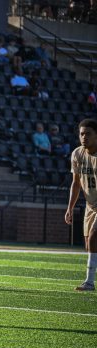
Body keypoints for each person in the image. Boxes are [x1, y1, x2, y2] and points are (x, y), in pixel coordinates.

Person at [65, 118, 97, 291]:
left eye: (88, 134)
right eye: (81, 134)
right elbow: (76, 183)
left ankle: (89, 282)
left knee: (93, 237)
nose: (84, 137)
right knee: (89, 245)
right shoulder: (77, 154)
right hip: (90, 205)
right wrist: (70, 207)